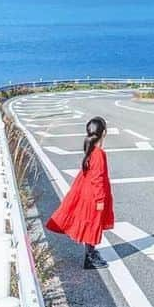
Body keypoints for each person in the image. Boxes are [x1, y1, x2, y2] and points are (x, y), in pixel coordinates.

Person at [45, 115, 115, 269]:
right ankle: (90, 257)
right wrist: (100, 201)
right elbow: (98, 179)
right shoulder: (99, 154)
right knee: (93, 224)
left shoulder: (91, 151)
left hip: (87, 193)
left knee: (90, 223)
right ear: (104, 133)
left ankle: (91, 254)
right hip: (94, 196)